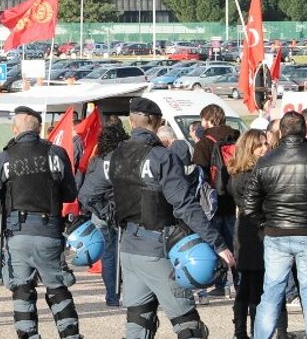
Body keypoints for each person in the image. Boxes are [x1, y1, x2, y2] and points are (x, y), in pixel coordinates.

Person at [79, 97, 233, 339]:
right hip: (158, 248)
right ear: (156, 120)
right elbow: (184, 204)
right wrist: (218, 243)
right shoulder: (162, 157)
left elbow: (87, 195)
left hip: (128, 249)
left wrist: (114, 216)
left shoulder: (113, 157)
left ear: (132, 122)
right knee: (189, 326)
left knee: (139, 324)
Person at [0, 106, 81, 339]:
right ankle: (70, 335)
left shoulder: (3, 158)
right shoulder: (56, 154)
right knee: (57, 288)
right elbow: (69, 194)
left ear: (15, 130)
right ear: (39, 130)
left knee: (22, 291)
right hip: (49, 231)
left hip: (16, 234)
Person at [240, 111, 307, 339]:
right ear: (305, 130)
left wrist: (264, 225)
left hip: (275, 234)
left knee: (271, 293)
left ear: (281, 132)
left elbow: (249, 205)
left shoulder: (265, 161)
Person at [227, 129, 291, 339]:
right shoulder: (251, 176)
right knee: (256, 285)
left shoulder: (239, 173)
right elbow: (260, 206)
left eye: (265, 143)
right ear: (249, 149)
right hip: (255, 232)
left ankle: (242, 331)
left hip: (246, 230)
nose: (265, 148)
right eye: (259, 145)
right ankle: (255, 332)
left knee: (247, 283)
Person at [192, 103, 239, 299]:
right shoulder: (237, 136)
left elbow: (198, 172)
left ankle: (218, 283)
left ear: (208, 119)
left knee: (214, 243)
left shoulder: (204, 142)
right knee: (235, 243)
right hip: (234, 198)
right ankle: (239, 282)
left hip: (212, 199)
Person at [84, 117, 130, 307]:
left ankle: (112, 295)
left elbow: (86, 193)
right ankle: (129, 294)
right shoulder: (128, 159)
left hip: (101, 212)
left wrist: (102, 211)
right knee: (127, 254)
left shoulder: (98, 160)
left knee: (109, 255)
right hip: (125, 212)